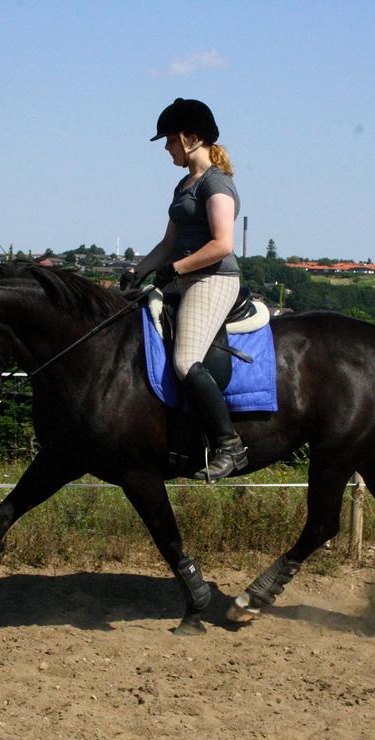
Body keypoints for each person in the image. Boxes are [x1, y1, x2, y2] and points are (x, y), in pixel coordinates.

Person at [132, 97, 248, 483]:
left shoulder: (217, 183)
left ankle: (229, 446)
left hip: (213, 280)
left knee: (184, 362)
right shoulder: (185, 184)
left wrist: (174, 270)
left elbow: (222, 244)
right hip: (182, 278)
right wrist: (139, 271)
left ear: (191, 138)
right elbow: (168, 244)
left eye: (169, 140)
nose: (167, 148)